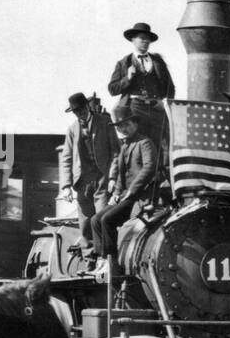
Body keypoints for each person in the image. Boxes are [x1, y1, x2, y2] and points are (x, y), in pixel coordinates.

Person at [90, 104, 160, 279]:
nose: (123, 129)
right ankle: (102, 260)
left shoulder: (145, 143)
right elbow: (121, 175)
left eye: (127, 125)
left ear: (135, 124)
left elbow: (150, 167)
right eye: (120, 126)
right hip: (124, 196)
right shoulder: (124, 147)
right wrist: (116, 193)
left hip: (139, 198)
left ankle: (112, 264)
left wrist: (131, 191)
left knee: (107, 220)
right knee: (94, 220)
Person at [108, 22, 175, 169]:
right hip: (135, 108)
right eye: (141, 38)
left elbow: (170, 88)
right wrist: (128, 78)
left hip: (156, 108)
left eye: (147, 38)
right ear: (133, 40)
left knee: (160, 143)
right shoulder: (123, 63)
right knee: (138, 144)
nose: (145, 41)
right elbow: (112, 89)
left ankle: (158, 181)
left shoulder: (158, 62)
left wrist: (162, 102)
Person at [58, 92, 119, 255]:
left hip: (102, 178)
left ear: (88, 106)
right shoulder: (72, 130)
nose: (80, 114)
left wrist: (113, 177)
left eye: (82, 109)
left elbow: (115, 152)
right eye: (76, 112)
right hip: (82, 181)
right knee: (85, 222)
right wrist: (65, 186)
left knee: (102, 218)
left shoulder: (105, 122)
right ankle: (89, 258)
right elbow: (67, 158)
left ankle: (106, 258)